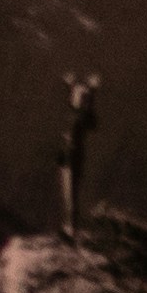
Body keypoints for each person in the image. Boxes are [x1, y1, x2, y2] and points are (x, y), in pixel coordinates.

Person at [53, 69, 102, 232]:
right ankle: (68, 226)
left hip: (72, 157)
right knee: (67, 193)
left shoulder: (80, 115)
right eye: (75, 95)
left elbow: (90, 121)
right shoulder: (72, 112)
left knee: (70, 193)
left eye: (80, 96)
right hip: (67, 156)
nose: (76, 97)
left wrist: (91, 93)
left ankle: (70, 227)